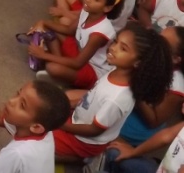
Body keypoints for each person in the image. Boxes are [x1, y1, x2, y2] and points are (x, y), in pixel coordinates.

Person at [51, 23, 172, 164]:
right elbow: (91, 97)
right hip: (78, 121)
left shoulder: (117, 98)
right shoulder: (117, 71)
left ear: (138, 62)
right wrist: (68, 105)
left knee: (39, 138)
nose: (113, 48)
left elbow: (93, 130)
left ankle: (84, 158)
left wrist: (60, 125)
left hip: (84, 141)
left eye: (123, 48)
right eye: (116, 41)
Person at [102, 26, 184, 172]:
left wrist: (135, 83)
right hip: (125, 106)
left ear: (175, 59)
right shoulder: (150, 58)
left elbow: (154, 121)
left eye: (163, 42)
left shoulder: (177, 85)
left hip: (137, 127)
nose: (155, 41)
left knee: (98, 139)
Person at [0, 81, 71, 172]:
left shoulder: (17, 154)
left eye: (22, 105)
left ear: (36, 127)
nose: (11, 101)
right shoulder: (44, 131)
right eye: (18, 93)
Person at [28, 0, 122, 89]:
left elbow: (78, 63)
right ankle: (61, 72)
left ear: (107, 7)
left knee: (52, 67)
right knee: (47, 29)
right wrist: (43, 22)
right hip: (79, 52)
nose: (88, 0)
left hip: (92, 69)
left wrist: (43, 55)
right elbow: (69, 30)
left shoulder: (100, 33)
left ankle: (62, 75)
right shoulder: (87, 10)